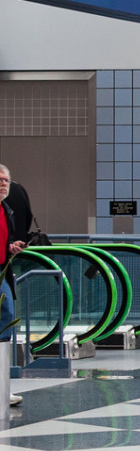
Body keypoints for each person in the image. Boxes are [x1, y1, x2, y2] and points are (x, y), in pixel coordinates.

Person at [0, 165, 30, 406]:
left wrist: (11, 246)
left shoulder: (6, 209)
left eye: (6, 181)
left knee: (6, 318)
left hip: (2, 272)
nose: (3, 184)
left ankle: (2, 388)